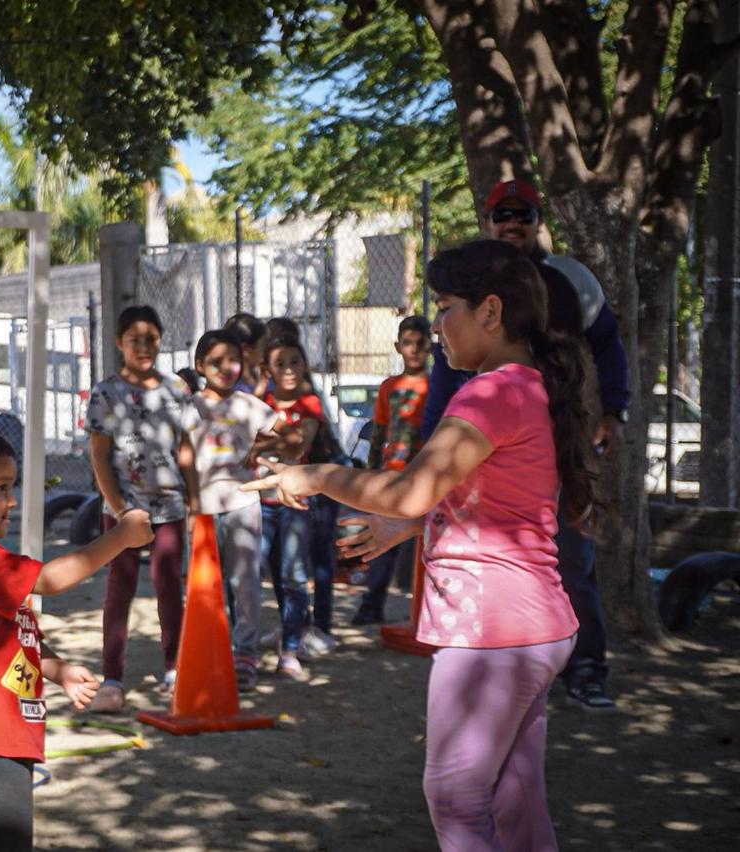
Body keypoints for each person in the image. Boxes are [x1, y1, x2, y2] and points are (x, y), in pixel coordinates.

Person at [247, 240, 596, 850]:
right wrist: (415, 526)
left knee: (456, 797)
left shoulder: (491, 392)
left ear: (491, 311)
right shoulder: (525, 387)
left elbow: (410, 491)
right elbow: (498, 499)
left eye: (445, 306)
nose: (435, 326)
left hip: (493, 632)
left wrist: (315, 476)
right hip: (531, 627)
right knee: (514, 804)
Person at [421, 178, 629, 711]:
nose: (512, 224)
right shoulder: (472, 288)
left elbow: (608, 344)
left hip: (549, 435)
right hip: (480, 446)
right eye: (502, 215)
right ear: (487, 221)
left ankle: (585, 670)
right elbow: (443, 377)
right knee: (493, 549)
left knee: (570, 554)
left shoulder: (567, 281)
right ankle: (527, 665)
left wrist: (614, 410)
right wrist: (430, 451)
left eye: (524, 215)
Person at [0, 426, 152, 852]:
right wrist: (120, 537)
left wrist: (58, 669)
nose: (11, 500)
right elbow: (49, 579)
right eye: (0, 489)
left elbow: (15, 637)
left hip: (4, 740)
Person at [85, 305, 199, 713]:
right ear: (119, 343)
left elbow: (185, 450)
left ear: (160, 340)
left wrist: (195, 501)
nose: (143, 347)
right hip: (124, 509)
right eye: (134, 340)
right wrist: (118, 509)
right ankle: (112, 676)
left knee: (169, 586)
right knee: (120, 588)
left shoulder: (176, 390)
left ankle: (175, 668)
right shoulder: (105, 392)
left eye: (151, 339)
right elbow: (99, 456)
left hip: (169, 506)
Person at [186, 328, 284, 692]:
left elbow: (286, 433)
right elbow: (181, 453)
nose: (226, 368)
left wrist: (260, 449)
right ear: (200, 365)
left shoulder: (248, 404)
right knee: (205, 584)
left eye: (233, 360)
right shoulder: (190, 406)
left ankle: (245, 653)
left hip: (243, 502)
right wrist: (191, 504)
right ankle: (213, 648)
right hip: (203, 508)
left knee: (245, 581)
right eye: (216, 361)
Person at [252, 337, 328, 676]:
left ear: (304, 365)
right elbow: (247, 436)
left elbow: (299, 448)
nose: (288, 370)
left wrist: (264, 444)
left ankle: (291, 649)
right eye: (279, 364)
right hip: (262, 500)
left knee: (294, 574)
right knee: (265, 569)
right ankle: (286, 629)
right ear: (268, 370)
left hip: (296, 500)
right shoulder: (262, 402)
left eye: (294, 362)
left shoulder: (309, 403)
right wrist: (283, 436)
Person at [351, 315, 432, 626]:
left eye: (420, 343)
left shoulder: (435, 386)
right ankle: (372, 605)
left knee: (427, 542)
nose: (414, 349)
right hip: (393, 475)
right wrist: (372, 472)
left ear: (429, 347)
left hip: (425, 476)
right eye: (408, 343)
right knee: (383, 541)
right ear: (398, 347)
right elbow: (379, 431)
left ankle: (424, 611)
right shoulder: (389, 386)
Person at [223, 312, 268, 394]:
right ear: (246, 350)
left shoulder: (259, 374)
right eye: (264, 345)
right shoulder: (229, 384)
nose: (267, 350)